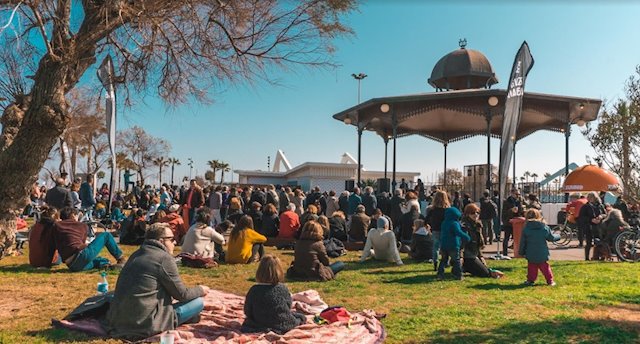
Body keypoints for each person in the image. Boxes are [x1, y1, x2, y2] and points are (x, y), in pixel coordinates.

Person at [105, 223, 207, 339]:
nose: (175, 243)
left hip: (119, 321)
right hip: (147, 324)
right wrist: (201, 289)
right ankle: (185, 318)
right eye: (172, 239)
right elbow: (182, 294)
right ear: (161, 241)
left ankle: (190, 317)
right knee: (198, 303)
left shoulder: (136, 254)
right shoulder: (164, 259)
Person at [241, 255, 306, 334]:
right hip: (281, 323)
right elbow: (288, 307)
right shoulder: (282, 289)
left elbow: (248, 311)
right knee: (300, 317)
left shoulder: (254, 290)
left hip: (258, 323)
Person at [53, 207, 126, 271]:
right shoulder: (81, 225)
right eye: (76, 215)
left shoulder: (57, 226)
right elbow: (82, 244)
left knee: (100, 260)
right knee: (106, 235)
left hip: (72, 265)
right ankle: (120, 259)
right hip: (80, 256)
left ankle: (105, 265)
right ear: (72, 215)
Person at [461, 204, 504, 279]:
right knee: (485, 273)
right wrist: (461, 259)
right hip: (467, 256)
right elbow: (462, 244)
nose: (475, 215)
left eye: (477, 212)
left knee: (484, 270)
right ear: (467, 214)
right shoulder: (464, 226)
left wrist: (481, 257)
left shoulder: (477, 225)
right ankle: (464, 268)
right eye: (472, 213)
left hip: (474, 254)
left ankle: (490, 271)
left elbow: (478, 244)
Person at [519, 209, 560, 286]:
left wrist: (521, 252)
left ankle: (530, 280)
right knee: (545, 267)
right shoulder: (544, 227)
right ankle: (550, 281)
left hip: (530, 251)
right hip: (542, 251)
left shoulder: (526, 228)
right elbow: (551, 238)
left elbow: (523, 242)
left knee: (531, 267)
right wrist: (558, 236)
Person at [437, 206, 470, 281]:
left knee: (443, 260)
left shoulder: (444, 222)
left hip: (444, 244)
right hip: (453, 244)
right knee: (456, 260)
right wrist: (466, 237)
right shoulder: (454, 223)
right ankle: (458, 275)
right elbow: (458, 232)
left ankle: (440, 273)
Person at [578, 192, 607, 261]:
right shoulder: (585, 207)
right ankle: (587, 258)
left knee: (600, 242)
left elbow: (605, 214)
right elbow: (581, 217)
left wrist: (601, 216)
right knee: (589, 242)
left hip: (599, 226)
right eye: (589, 197)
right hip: (589, 226)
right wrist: (591, 219)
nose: (590, 199)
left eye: (592, 197)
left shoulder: (600, 206)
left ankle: (600, 256)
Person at [426, 190, 449, 271]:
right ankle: (445, 262)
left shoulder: (432, 209)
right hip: (445, 230)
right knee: (444, 247)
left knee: (435, 247)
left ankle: (435, 262)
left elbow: (427, 219)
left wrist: (429, 225)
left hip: (435, 229)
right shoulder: (447, 210)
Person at [501, 188, 524, 256]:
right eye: (516, 194)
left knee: (518, 238)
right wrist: (511, 210)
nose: (518, 196)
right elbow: (504, 213)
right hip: (509, 223)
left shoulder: (519, 201)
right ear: (512, 193)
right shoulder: (506, 201)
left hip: (517, 223)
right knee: (506, 238)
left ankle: (518, 252)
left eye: (519, 194)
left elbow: (521, 211)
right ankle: (505, 253)